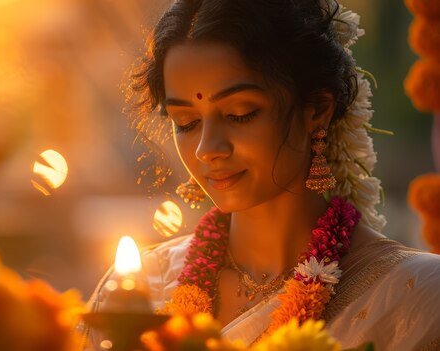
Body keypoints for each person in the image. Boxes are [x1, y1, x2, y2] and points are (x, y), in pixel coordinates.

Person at [83, 0, 440, 349]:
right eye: (186, 123)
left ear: (316, 109)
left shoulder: (416, 300)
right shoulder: (139, 290)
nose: (208, 147)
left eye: (239, 114)